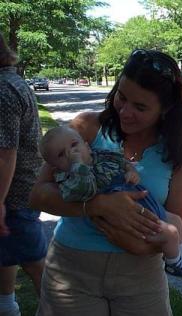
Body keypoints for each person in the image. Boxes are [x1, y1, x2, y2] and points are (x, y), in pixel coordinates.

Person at [29, 49, 182, 316]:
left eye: (140, 106)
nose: (125, 111)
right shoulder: (86, 128)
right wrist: (98, 205)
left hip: (141, 276)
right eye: (122, 96)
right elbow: (38, 195)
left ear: (166, 109)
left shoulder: (181, 151)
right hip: (72, 270)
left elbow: (176, 222)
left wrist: (138, 246)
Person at [38, 125, 182, 278]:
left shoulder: (100, 156)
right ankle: (174, 264)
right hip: (124, 215)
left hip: (142, 201)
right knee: (171, 233)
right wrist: (78, 166)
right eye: (61, 154)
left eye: (74, 145)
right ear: (55, 167)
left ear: (87, 146)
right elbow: (83, 191)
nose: (70, 153)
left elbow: (121, 161)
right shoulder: (70, 179)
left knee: (176, 220)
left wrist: (131, 171)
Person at [0, 33, 47, 316]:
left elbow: (5, 154)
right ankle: (6, 305)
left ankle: (58, 309)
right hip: (16, 191)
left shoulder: (3, 89)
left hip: (15, 194)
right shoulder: (10, 81)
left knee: (34, 261)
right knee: (7, 251)